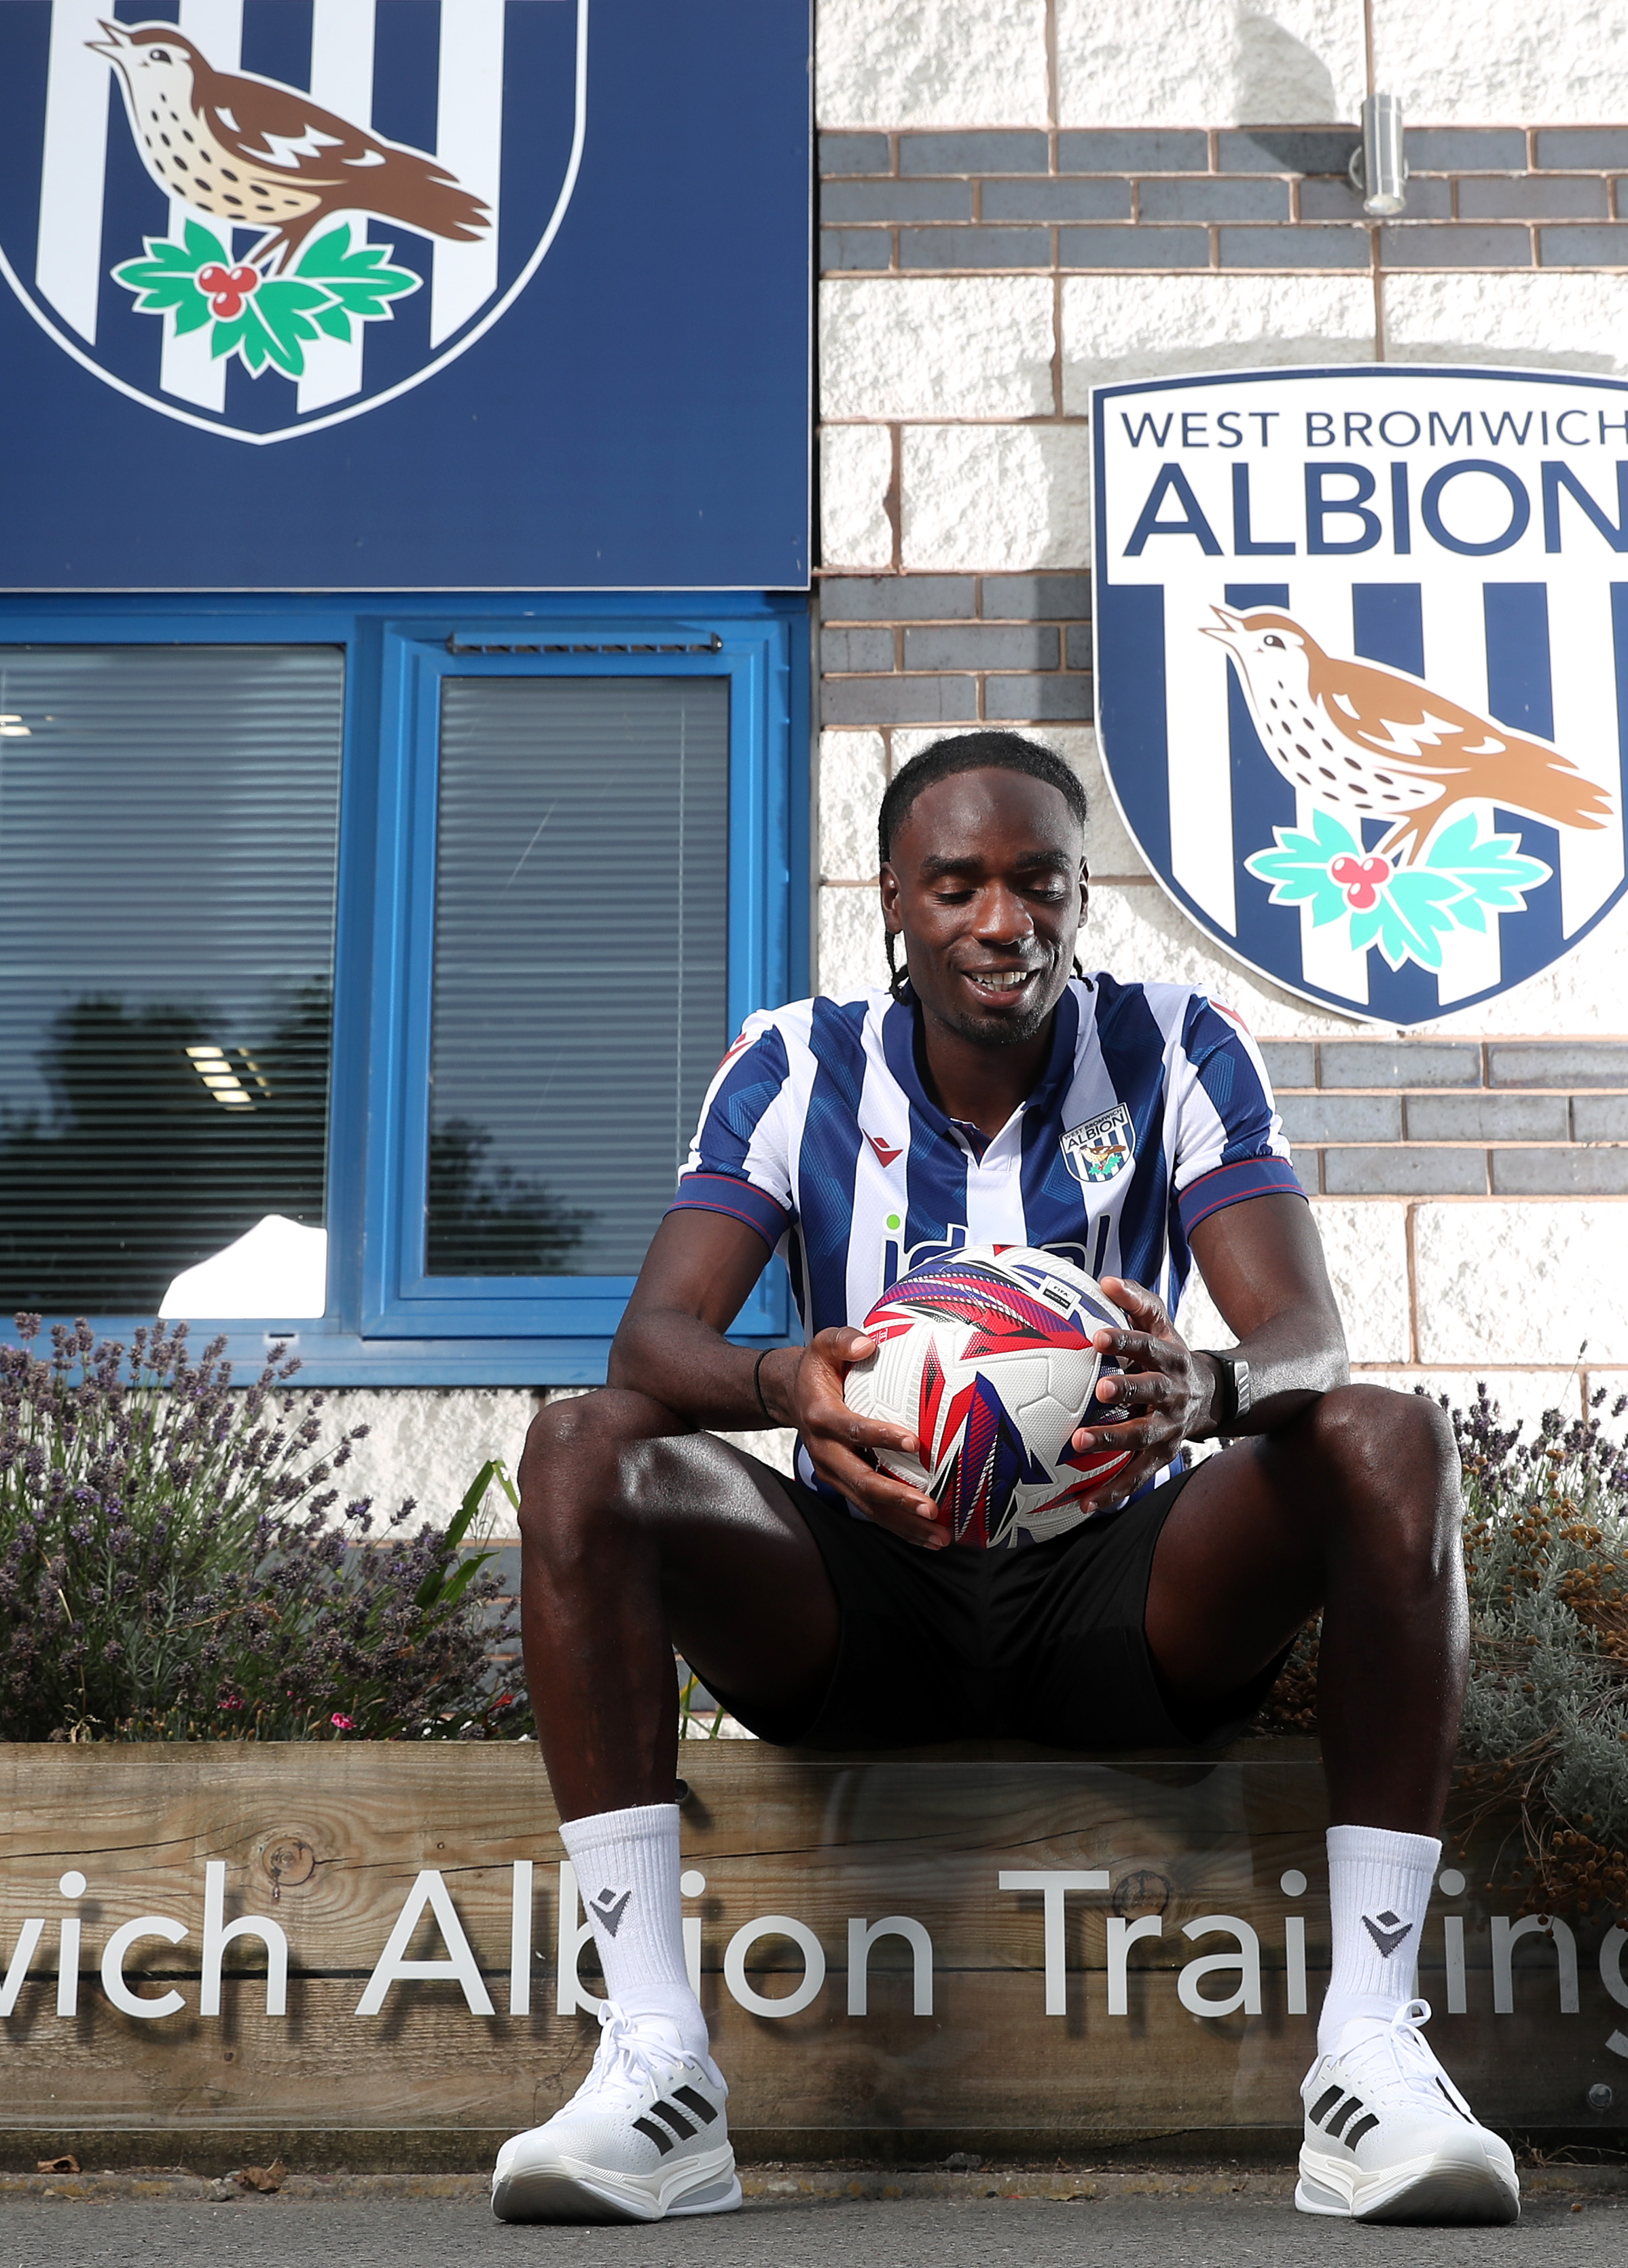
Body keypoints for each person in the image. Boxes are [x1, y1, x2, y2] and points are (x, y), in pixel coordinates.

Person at [491, 731, 1513, 2226]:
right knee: (581, 1446)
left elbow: (1308, 1332)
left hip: (1121, 1594)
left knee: (1384, 1436)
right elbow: (653, 1337)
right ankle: (655, 2065)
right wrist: (793, 1385)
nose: (1000, 919)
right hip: (858, 1592)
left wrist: (1211, 1390)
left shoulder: (1175, 1046)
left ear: (1081, 892)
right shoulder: (793, 1064)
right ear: (893, 898)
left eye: (1038, 881)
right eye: (957, 883)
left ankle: (1369, 2048)